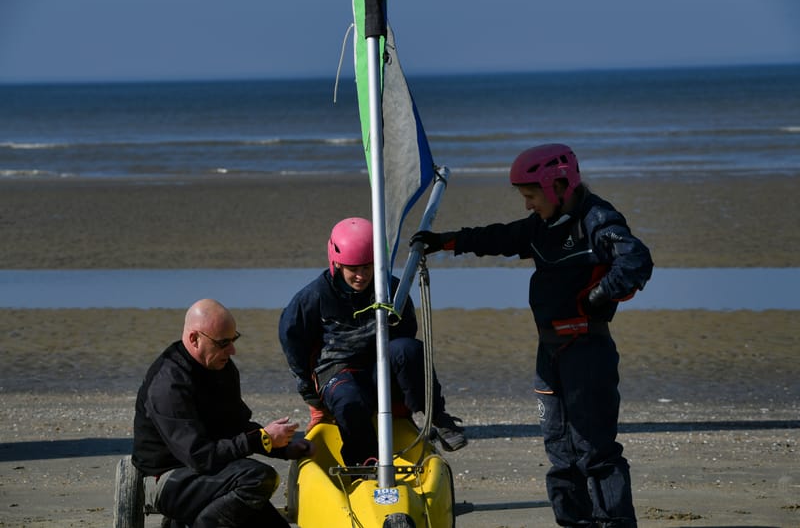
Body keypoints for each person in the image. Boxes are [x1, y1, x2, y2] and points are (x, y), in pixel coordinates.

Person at [411, 143, 653, 528]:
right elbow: (498, 238)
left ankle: (615, 523)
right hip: (550, 353)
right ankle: (574, 522)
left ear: (558, 185)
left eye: (531, 196)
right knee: (559, 450)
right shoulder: (540, 226)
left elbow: (636, 260)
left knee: (594, 450)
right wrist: (444, 241)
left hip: (587, 352)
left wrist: (597, 296)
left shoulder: (598, 219)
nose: (527, 205)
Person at [278, 217, 467, 467]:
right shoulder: (313, 297)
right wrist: (313, 401)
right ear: (336, 263)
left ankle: (438, 418)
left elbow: (407, 334)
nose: (361, 276)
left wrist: (403, 397)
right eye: (353, 269)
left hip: (380, 370)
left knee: (408, 349)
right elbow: (293, 344)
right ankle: (364, 463)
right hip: (338, 373)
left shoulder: (391, 289)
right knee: (350, 401)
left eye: (368, 267)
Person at [132, 298, 314, 528]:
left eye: (233, 339)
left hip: (211, 472)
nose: (232, 350)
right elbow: (200, 457)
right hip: (167, 477)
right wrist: (261, 439)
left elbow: (236, 427)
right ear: (194, 339)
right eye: (223, 343)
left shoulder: (221, 365)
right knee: (258, 477)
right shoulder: (168, 385)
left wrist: (283, 448)